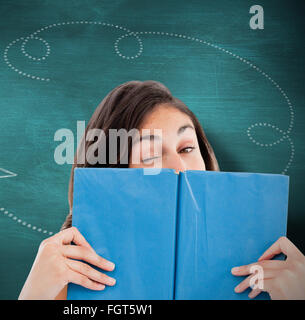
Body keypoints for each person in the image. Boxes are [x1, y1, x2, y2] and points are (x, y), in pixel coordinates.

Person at [19, 80, 305, 300]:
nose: (179, 168)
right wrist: (33, 294)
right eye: (150, 156)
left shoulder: (271, 267)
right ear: (113, 175)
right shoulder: (68, 280)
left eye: (187, 148)